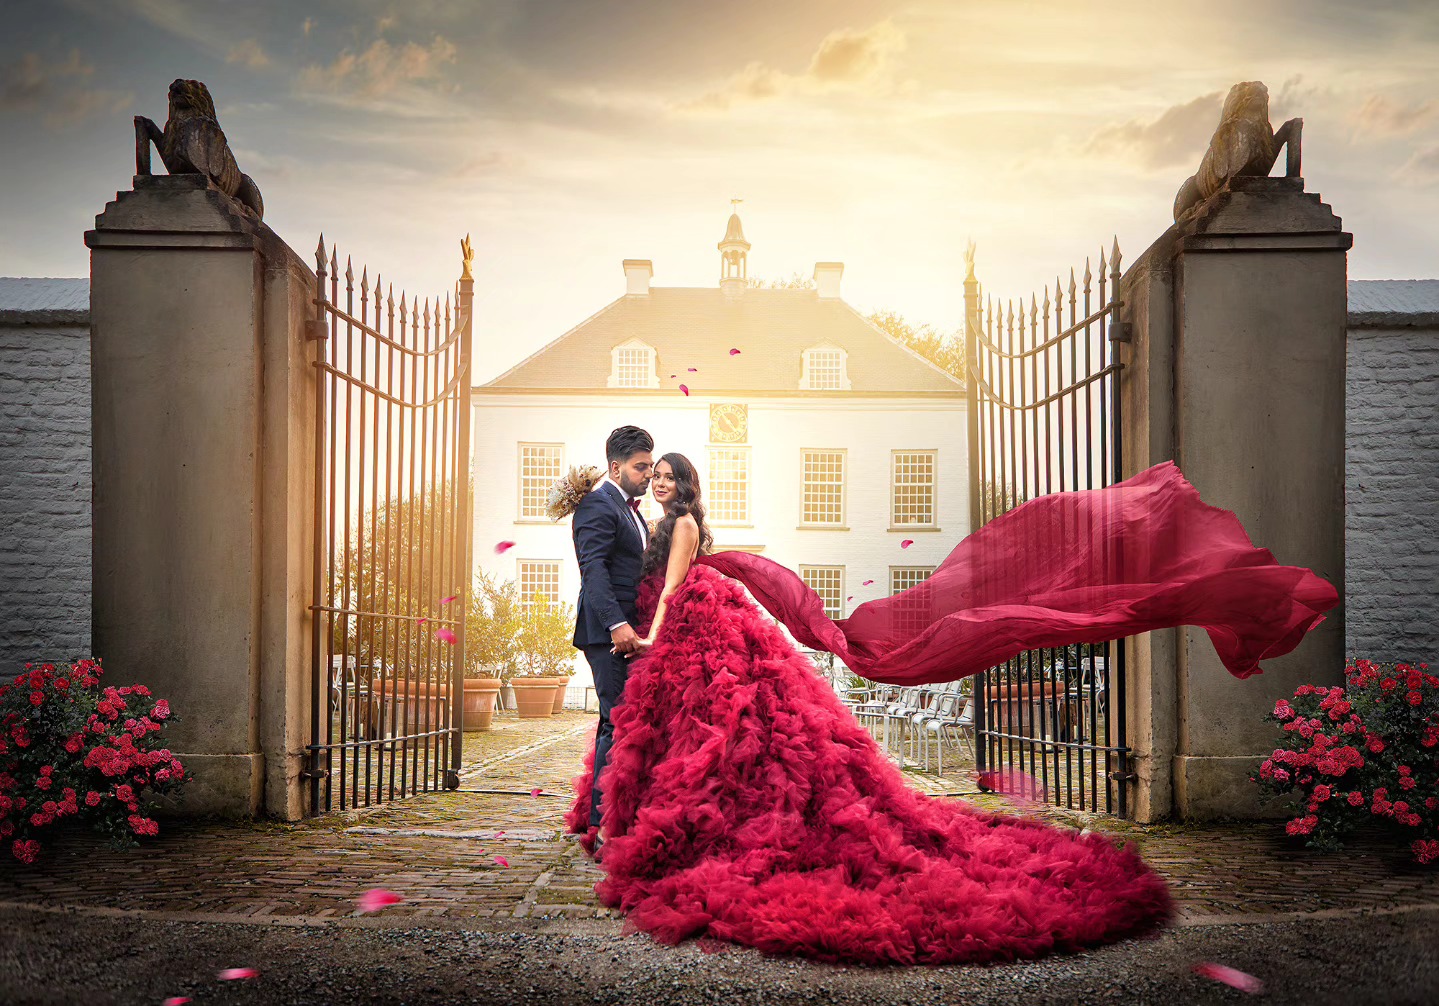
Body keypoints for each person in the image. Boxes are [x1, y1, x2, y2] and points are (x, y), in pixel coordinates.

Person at [557, 452, 1337, 965]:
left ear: (684, 487)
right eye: (651, 477)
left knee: (737, 741)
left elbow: (672, 593)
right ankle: (626, 819)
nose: (657, 485)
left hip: (684, 634)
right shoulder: (644, 519)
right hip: (690, 637)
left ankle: (648, 826)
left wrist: (645, 641)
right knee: (684, 740)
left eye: (666, 478)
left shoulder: (681, 524)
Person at [570, 426, 653, 854]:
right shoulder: (597, 506)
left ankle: (610, 819)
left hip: (630, 631)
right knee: (615, 722)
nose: (648, 475)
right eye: (640, 467)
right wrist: (616, 625)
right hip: (608, 634)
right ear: (615, 467)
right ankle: (603, 828)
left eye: (649, 466)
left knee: (621, 721)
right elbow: (594, 570)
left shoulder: (632, 511)